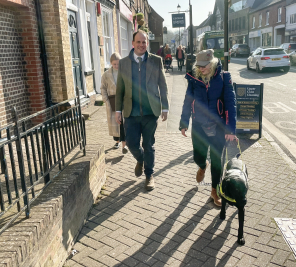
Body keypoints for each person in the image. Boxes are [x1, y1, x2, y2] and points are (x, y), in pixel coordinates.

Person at [179, 49, 237, 207]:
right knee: (198, 155)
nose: (201, 68)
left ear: (212, 63)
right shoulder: (194, 77)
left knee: (217, 160)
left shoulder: (224, 77)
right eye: (199, 65)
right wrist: (184, 122)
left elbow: (231, 103)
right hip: (198, 123)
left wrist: (230, 129)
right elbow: (187, 100)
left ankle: (215, 191)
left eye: (205, 65)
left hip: (218, 125)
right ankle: (203, 165)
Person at [115, 30, 169, 191]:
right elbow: (120, 89)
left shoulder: (156, 61)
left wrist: (165, 107)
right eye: (138, 42)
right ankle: (141, 159)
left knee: (149, 144)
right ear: (132, 43)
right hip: (130, 112)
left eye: (144, 42)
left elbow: (163, 85)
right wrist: (118, 110)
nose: (141, 45)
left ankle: (149, 175)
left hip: (150, 112)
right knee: (131, 143)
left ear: (147, 43)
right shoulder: (124, 63)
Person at [101, 52, 128, 154]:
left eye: (118, 64)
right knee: (116, 123)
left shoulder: (125, 72)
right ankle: (117, 141)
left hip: (124, 101)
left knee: (124, 123)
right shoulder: (106, 75)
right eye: (114, 64)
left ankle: (124, 146)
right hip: (112, 100)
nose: (117, 66)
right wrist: (106, 100)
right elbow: (103, 88)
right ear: (111, 63)